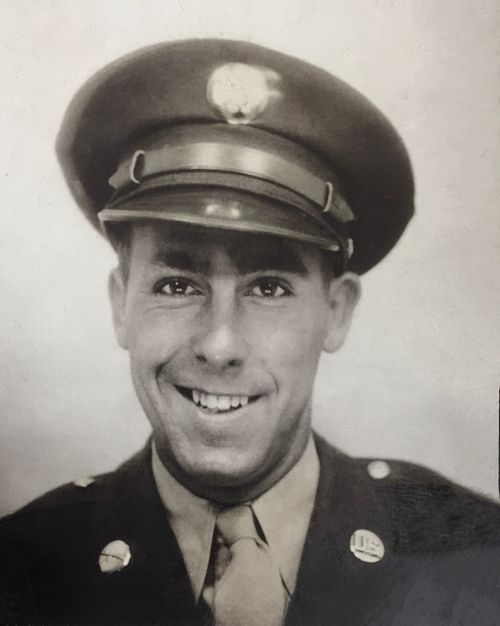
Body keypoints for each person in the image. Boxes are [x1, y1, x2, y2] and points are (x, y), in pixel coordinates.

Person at [0, 39, 499, 626]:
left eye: (270, 288)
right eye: (176, 286)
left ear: (337, 312)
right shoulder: (21, 571)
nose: (220, 346)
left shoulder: (474, 561)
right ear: (121, 305)